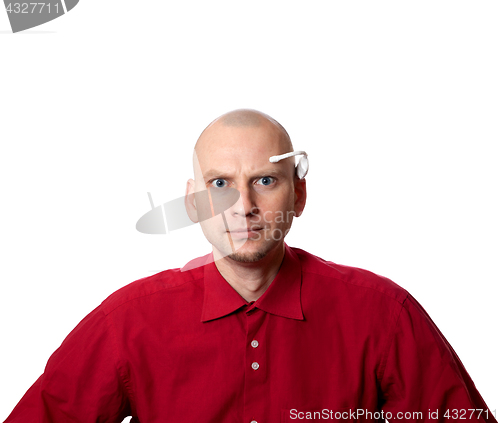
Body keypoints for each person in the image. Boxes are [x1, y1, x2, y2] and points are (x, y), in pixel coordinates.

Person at [3, 109, 496, 423]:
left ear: (298, 194)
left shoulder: (382, 313)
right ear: (193, 202)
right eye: (219, 184)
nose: (241, 206)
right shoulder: (129, 322)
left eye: (264, 180)